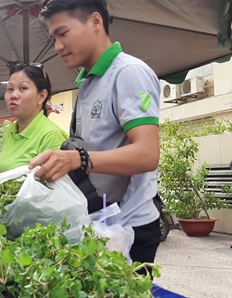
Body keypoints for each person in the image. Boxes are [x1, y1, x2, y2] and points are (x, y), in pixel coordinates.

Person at [31, 0, 161, 272]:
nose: (57, 47)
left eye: (63, 33)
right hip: (101, 222)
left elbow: (148, 154)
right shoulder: (87, 81)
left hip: (130, 227)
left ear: (95, 22)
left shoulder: (128, 73)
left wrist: (77, 159)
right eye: (53, 38)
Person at [0, 63, 67, 173]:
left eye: (23, 88)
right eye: (10, 89)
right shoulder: (9, 132)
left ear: (42, 96)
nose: (13, 95)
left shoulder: (51, 135)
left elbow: (55, 186)